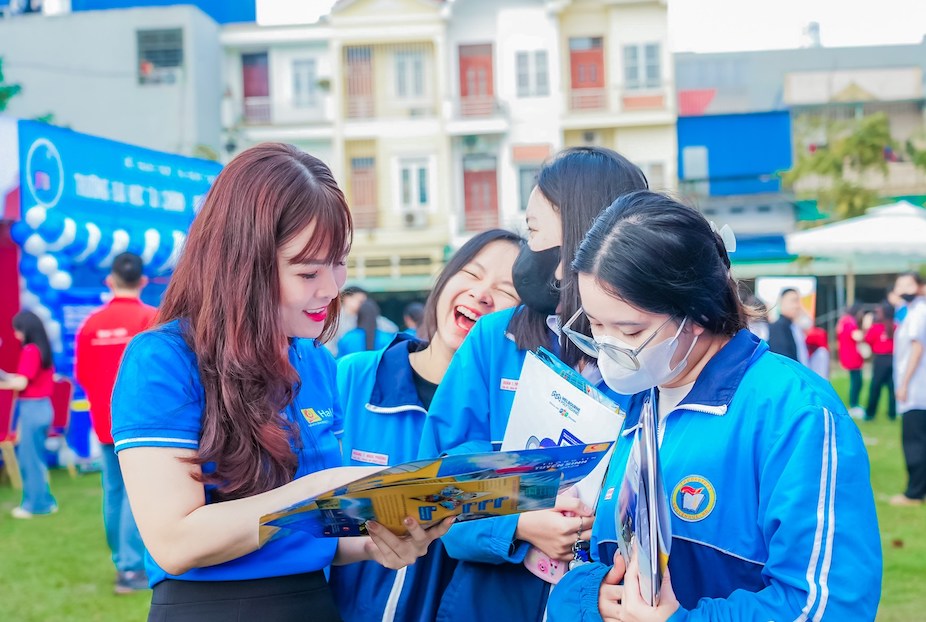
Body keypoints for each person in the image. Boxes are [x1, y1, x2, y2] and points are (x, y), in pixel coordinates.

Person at [109, 143, 450, 621]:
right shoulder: (163, 360)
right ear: (242, 266)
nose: (331, 289)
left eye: (339, 263)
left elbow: (314, 538)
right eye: (308, 271)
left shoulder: (314, 361)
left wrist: (381, 543)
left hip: (312, 602)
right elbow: (175, 541)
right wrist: (323, 487)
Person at [547, 190, 882, 622]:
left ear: (698, 313)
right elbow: (589, 556)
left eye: (629, 331)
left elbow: (829, 605)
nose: (609, 349)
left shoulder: (794, 412)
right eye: (595, 325)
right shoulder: (624, 401)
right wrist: (589, 596)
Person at [418, 146, 649, 621]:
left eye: (534, 231)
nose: (526, 251)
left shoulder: (650, 356)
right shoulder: (493, 339)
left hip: (603, 599)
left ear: (583, 236)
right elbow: (436, 476)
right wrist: (519, 524)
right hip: (488, 601)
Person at [330, 228, 523, 622]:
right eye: (471, 273)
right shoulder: (353, 378)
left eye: (506, 291)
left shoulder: (510, 420)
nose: (481, 294)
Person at [75, 252, 157, 593]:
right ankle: (130, 568)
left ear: (110, 281)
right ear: (143, 281)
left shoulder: (91, 323)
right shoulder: (151, 318)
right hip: (140, 424)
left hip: (104, 421)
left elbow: (82, 374)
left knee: (113, 491)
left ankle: (122, 562)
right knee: (134, 495)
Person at [1, 310, 57, 519]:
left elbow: (21, 382)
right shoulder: (41, 350)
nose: (15, 335)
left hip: (32, 409)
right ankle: (44, 501)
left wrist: (4, 381)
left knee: (29, 459)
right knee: (36, 458)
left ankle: (35, 505)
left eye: (17, 329)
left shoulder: (30, 350)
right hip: (43, 407)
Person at [891, 272, 926, 506]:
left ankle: (914, 493)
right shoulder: (911, 311)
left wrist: (904, 384)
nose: (903, 288)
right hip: (915, 387)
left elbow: (916, 348)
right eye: (899, 284)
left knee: (914, 442)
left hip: (915, 389)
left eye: (908, 283)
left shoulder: (918, 311)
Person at [326, 286, 398, 356]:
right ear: (347, 298)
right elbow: (329, 346)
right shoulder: (334, 319)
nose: (363, 304)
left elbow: (392, 328)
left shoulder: (371, 318)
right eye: (360, 301)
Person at [865, 302, 896, 421]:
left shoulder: (876, 327)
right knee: (892, 387)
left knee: (875, 387)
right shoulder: (896, 326)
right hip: (893, 359)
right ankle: (892, 414)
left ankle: (870, 413)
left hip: (880, 359)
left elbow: (868, 340)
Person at [766, 288, 809, 365]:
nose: (797, 306)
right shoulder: (777, 327)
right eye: (793, 301)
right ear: (781, 302)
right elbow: (784, 360)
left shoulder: (794, 328)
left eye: (798, 301)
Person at [836, 304, 865, 418]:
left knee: (856, 380)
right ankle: (854, 405)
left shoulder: (843, 321)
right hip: (852, 356)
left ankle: (854, 404)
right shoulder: (849, 322)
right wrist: (866, 327)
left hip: (848, 354)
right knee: (856, 381)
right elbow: (857, 336)